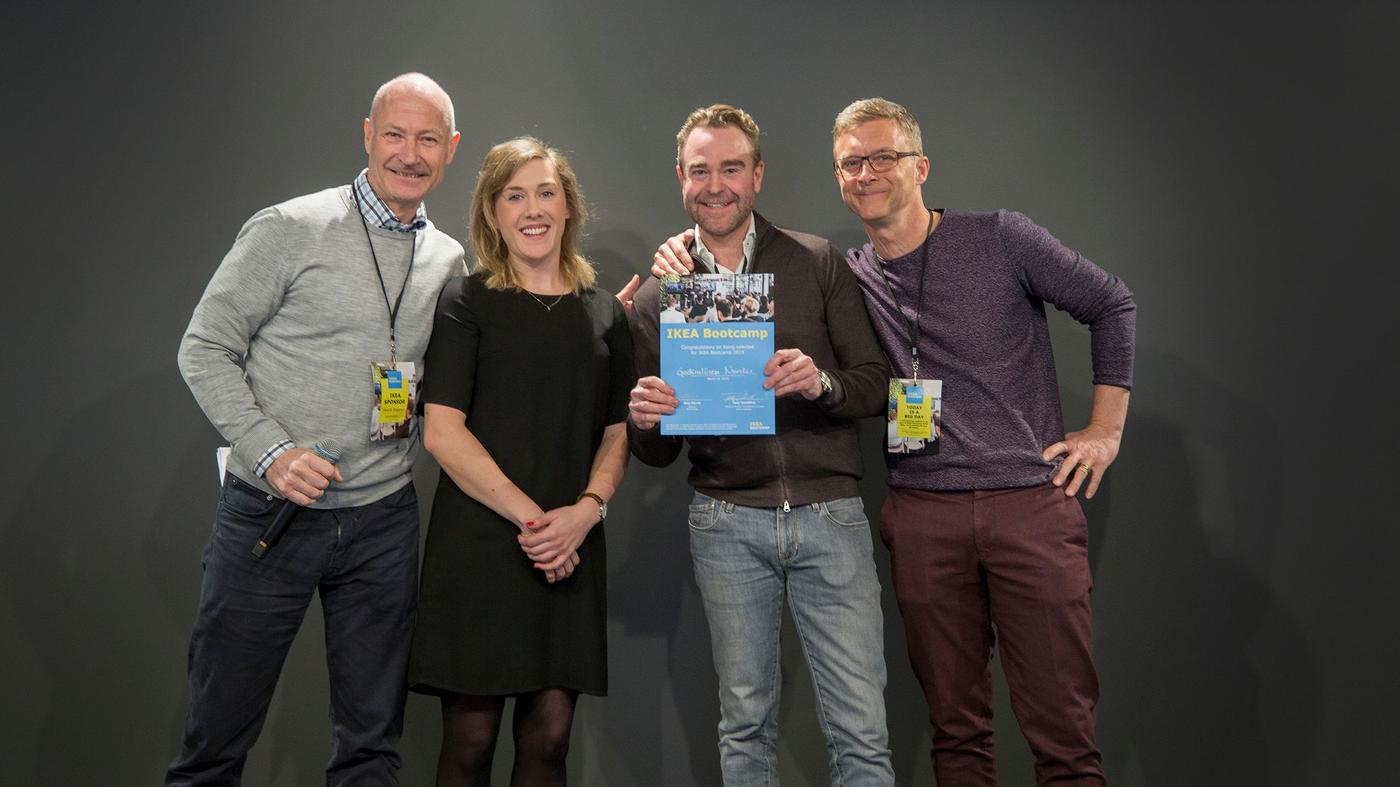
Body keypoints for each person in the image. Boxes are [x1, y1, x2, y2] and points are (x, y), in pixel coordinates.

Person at [829, 97, 1135, 786]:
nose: (867, 172)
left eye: (884, 156)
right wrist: (684, 258)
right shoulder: (847, 275)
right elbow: (765, 289)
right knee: (956, 733)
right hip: (922, 515)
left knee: (1064, 731)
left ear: (921, 166)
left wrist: (1105, 429)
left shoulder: (1002, 238)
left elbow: (1111, 302)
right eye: (852, 162)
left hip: (1029, 503)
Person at [170, 73, 463, 786]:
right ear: (367, 135)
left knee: (371, 749)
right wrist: (271, 451)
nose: (409, 153)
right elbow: (203, 347)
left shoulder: (448, 258)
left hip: (384, 522)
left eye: (428, 139)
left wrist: (591, 324)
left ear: (451, 150)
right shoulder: (290, 227)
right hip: (273, 516)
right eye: (394, 134)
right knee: (215, 744)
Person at [627, 104, 896, 785]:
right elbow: (656, 453)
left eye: (731, 168)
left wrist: (820, 382)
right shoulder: (663, 290)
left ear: (757, 175)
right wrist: (646, 417)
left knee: (861, 726)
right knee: (744, 724)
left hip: (830, 512)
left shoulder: (814, 260)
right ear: (680, 179)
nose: (715, 185)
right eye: (700, 171)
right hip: (726, 521)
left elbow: (874, 384)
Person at [408, 137, 634, 786]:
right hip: (484, 542)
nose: (532, 209)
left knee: (550, 738)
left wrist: (585, 513)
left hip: (572, 543)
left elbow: (618, 430)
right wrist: (539, 523)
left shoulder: (603, 312)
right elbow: (443, 432)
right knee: (471, 740)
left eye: (546, 193)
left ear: (568, 209)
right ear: (493, 212)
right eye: (515, 195)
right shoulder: (466, 301)